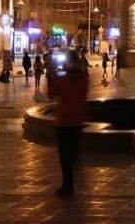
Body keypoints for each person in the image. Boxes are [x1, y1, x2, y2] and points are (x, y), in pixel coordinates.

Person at [47, 50, 89, 196]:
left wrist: (51, 73)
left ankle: (67, 186)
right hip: (78, 119)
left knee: (64, 157)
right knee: (72, 151)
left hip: (64, 121)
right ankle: (75, 165)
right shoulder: (84, 79)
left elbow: (51, 94)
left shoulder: (63, 80)